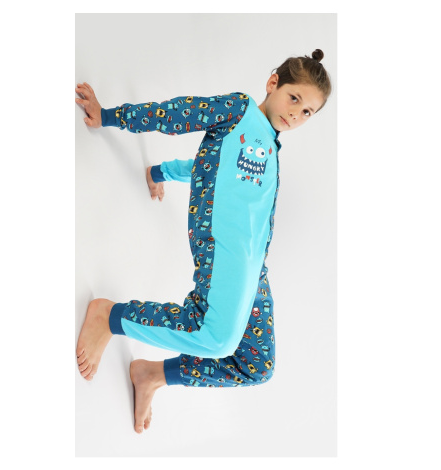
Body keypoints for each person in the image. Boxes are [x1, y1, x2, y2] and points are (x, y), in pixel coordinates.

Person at [75, 49, 332, 434]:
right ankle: (110, 317)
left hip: (254, 270)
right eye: (294, 99)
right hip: (225, 252)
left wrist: (161, 172)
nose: (296, 114)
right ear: (273, 83)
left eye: (308, 112)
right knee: (216, 340)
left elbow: (214, 171)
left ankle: (152, 374)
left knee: (257, 366)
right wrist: (110, 115)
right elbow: (177, 113)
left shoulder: (270, 147)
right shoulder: (239, 110)